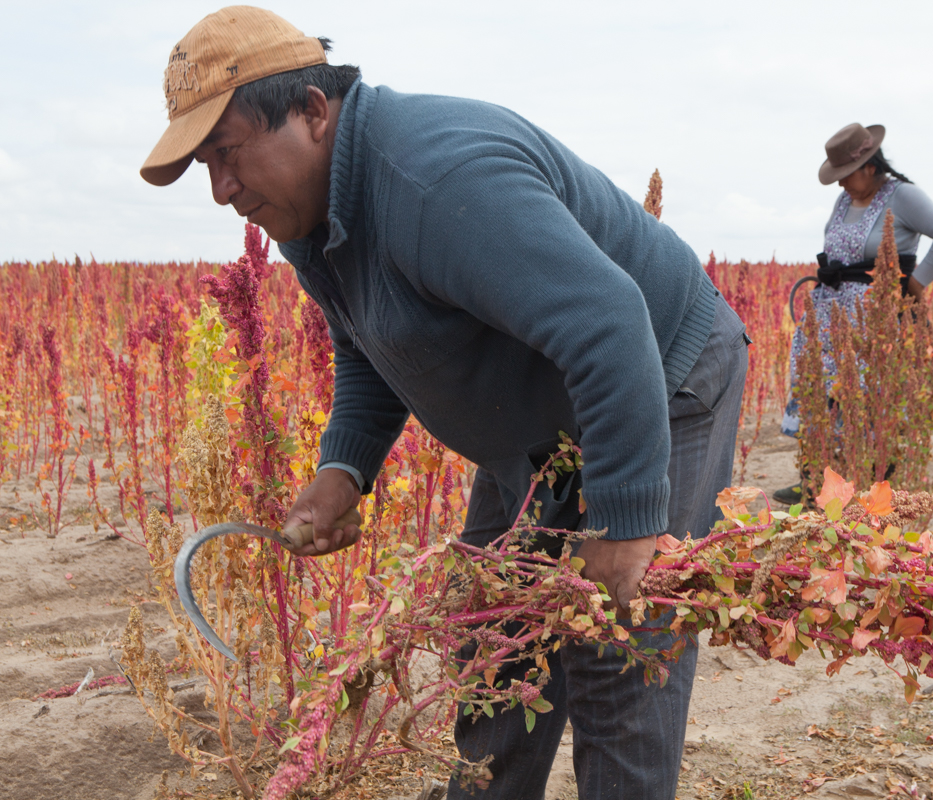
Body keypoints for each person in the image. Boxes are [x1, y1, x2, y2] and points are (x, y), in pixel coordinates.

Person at [140, 7, 747, 800]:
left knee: (619, 653)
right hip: (536, 428)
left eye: (227, 154)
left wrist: (627, 516)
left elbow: (609, 324)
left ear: (313, 113)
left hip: (661, 379)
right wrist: (344, 467)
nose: (222, 191)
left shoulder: (436, 180)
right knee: (499, 645)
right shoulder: (309, 216)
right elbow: (369, 345)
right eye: (204, 170)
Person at [773, 123, 933, 505]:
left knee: (870, 397)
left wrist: (915, 283)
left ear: (870, 167)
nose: (841, 185)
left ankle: (871, 489)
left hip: (875, 319)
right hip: (830, 313)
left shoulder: (902, 195)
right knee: (821, 392)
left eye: (846, 176)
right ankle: (814, 481)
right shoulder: (846, 199)